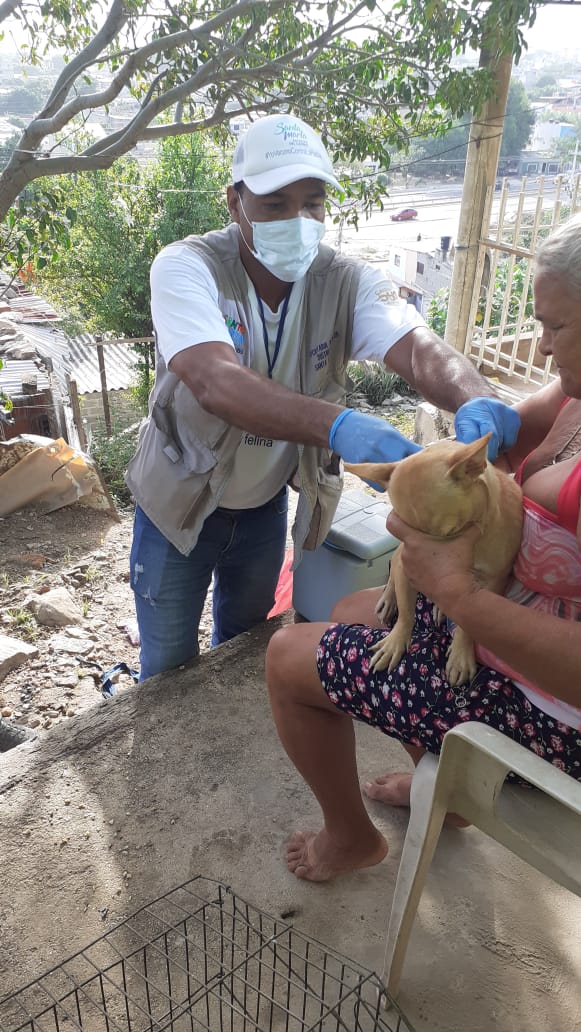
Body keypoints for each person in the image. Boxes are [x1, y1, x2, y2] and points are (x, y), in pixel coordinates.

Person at [126, 113, 518, 681]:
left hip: (263, 508)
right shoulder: (187, 267)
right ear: (235, 203)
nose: (298, 220)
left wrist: (474, 397)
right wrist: (339, 425)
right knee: (166, 668)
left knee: (243, 648)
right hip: (179, 506)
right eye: (275, 204)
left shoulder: (344, 280)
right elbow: (214, 381)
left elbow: (418, 348)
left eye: (313, 203)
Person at [265, 212, 581, 883]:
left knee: (288, 656)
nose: (542, 347)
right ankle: (449, 793)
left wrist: (458, 596)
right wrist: (465, 436)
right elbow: (507, 431)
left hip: (558, 706)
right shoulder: (574, 391)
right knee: (359, 609)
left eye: (555, 327)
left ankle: (351, 837)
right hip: (523, 611)